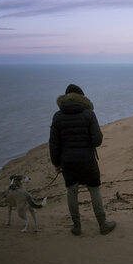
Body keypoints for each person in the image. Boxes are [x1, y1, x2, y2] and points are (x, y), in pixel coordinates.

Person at [49, 84, 116, 236]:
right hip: (87, 159)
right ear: (82, 98)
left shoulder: (58, 116)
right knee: (94, 190)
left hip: (67, 162)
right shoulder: (89, 114)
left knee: (72, 191)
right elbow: (97, 140)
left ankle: (77, 227)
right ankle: (103, 225)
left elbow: (54, 144)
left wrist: (56, 163)